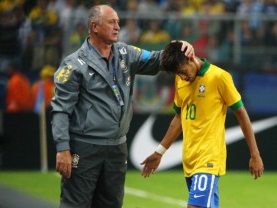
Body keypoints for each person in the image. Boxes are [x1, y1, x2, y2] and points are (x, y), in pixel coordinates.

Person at [50, 4, 194, 208]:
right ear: (95, 26)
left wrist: (180, 47)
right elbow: (60, 110)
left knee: (112, 204)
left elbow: (157, 59)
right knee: (76, 204)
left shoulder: (126, 53)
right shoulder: (73, 64)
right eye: (112, 22)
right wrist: (63, 148)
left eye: (118, 22)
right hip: (85, 147)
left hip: (117, 147)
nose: (118, 26)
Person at [140, 41, 264, 208]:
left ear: (191, 58)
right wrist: (159, 152)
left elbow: (242, 114)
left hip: (209, 159)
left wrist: (255, 154)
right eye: (178, 73)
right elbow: (179, 118)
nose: (182, 77)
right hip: (190, 159)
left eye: (183, 71)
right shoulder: (180, 79)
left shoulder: (219, 77)